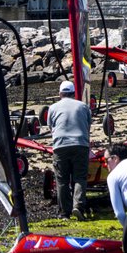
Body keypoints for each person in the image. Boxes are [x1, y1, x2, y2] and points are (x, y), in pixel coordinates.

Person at [48, 80, 91, 220]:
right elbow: (87, 125)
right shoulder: (83, 106)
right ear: (73, 93)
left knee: (62, 180)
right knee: (80, 177)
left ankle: (64, 213)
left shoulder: (53, 107)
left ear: (60, 93)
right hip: (80, 144)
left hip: (60, 146)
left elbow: (51, 127)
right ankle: (77, 206)